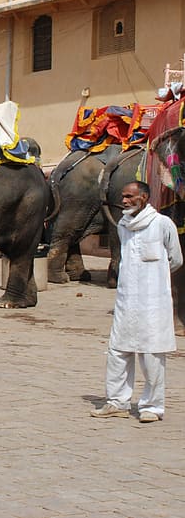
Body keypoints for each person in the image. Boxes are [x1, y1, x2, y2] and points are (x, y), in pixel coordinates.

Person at [90, 181, 182, 423]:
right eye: (123, 197)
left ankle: (152, 406)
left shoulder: (162, 224)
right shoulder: (123, 225)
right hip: (126, 300)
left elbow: (175, 259)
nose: (125, 200)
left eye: (130, 196)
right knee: (118, 352)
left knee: (152, 355)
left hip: (154, 303)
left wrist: (155, 280)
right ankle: (116, 402)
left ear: (143, 197)